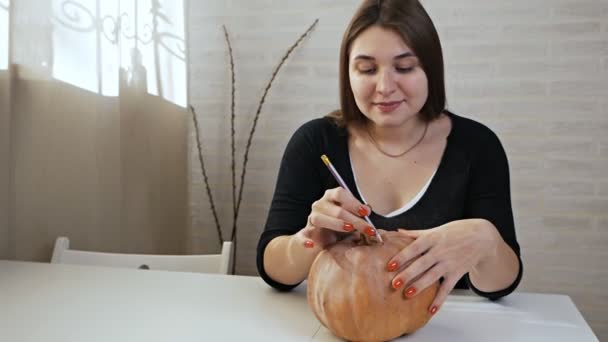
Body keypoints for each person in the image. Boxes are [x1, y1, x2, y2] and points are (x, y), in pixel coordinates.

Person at [256, 0, 522, 316]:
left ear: (431, 70)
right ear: (348, 73)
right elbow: (273, 271)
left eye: (405, 67)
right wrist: (308, 239)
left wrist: (487, 242)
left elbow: (500, 285)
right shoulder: (316, 142)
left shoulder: (477, 146)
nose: (384, 87)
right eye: (367, 69)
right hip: (343, 320)